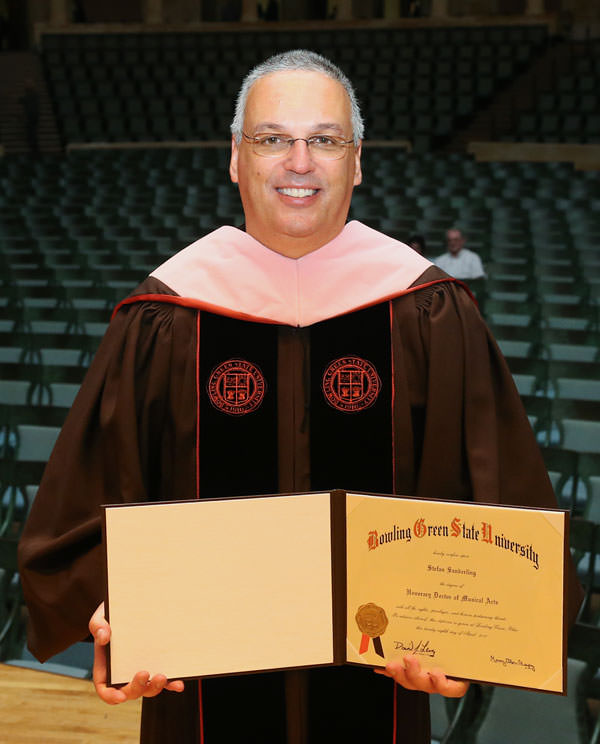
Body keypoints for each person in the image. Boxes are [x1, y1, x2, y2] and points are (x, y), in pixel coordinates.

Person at [18, 50, 581, 744]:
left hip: (381, 697)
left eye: (325, 140)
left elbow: (500, 498)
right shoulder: (164, 315)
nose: (300, 162)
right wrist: (107, 616)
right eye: (272, 138)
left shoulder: (427, 310)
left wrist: (470, 647)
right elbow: (87, 502)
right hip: (198, 703)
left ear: (357, 160)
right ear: (235, 157)